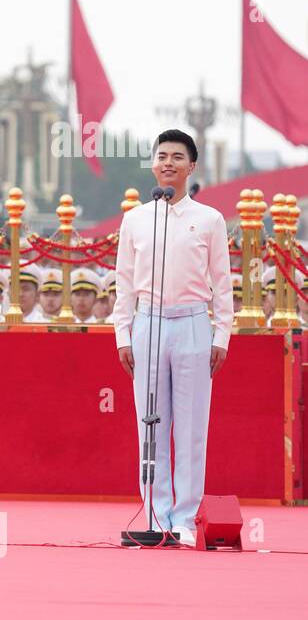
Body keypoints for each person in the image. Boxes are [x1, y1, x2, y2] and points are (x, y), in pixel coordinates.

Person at [112, 129, 232, 547]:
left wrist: (223, 335)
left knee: (192, 425)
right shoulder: (136, 219)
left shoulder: (211, 219)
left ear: (191, 166)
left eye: (177, 157)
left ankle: (184, 518)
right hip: (148, 324)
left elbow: (223, 282)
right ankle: (154, 515)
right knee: (150, 425)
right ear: (153, 163)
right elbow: (124, 282)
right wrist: (121, 334)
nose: (168, 163)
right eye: (161, 155)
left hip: (194, 323)